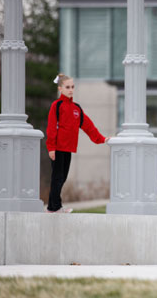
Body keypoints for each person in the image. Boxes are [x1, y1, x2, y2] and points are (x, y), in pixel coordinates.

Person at [46, 74, 110, 213]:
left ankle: (52, 207)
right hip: (57, 148)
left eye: (72, 87)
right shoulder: (56, 106)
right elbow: (51, 128)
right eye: (67, 87)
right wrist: (51, 148)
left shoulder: (76, 108)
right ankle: (55, 207)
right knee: (57, 178)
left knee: (62, 178)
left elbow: (88, 126)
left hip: (68, 149)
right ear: (60, 89)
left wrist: (101, 138)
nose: (70, 90)